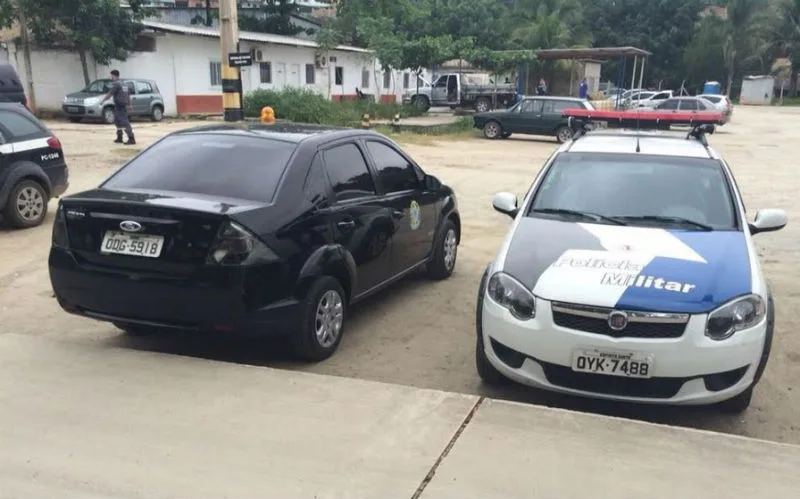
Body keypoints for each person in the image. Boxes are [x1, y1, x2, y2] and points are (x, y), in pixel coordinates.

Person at [102, 69, 135, 145]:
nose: (109, 76)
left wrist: (102, 101)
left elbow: (110, 93)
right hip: (121, 105)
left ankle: (131, 138)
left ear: (113, 75)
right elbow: (128, 95)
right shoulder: (124, 84)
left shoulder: (116, 84)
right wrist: (129, 104)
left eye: (110, 75)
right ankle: (119, 137)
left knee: (124, 122)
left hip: (120, 106)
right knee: (117, 122)